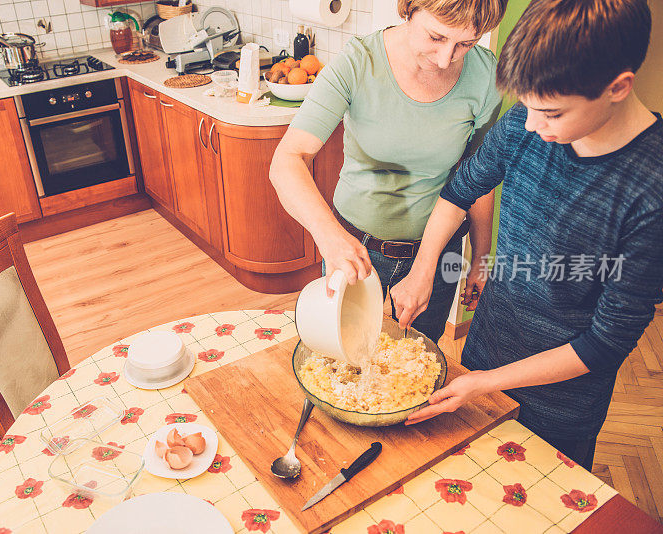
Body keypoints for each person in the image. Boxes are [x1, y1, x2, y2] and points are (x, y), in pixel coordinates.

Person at [391, 0, 662, 471]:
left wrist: (484, 383)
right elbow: (460, 190)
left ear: (617, 87)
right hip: (483, 357)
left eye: (552, 113)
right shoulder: (525, 122)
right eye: (527, 105)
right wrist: (423, 270)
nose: (533, 125)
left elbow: (604, 342)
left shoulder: (651, 192)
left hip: (562, 406)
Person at [269, 0, 508, 343]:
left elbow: (478, 181)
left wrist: (481, 259)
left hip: (441, 255)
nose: (446, 59)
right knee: (338, 363)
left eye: (465, 44)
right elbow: (287, 160)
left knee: (416, 367)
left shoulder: (486, 77)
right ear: (409, 9)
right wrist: (330, 237)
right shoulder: (358, 62)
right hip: (356, 248)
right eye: (436, 36)